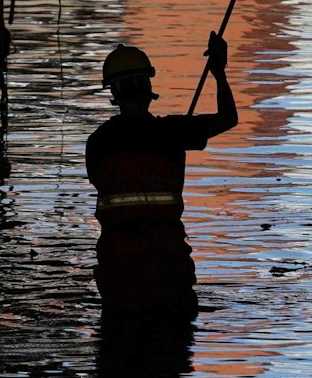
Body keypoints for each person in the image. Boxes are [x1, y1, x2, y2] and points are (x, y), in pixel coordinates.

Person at [86, 34, 238, 315]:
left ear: (114, 92)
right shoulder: (172, 133)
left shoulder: (98, 143)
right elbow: (228, 118)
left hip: (120, 274)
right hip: (168, 269)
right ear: (148, 87)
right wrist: (219, 71)